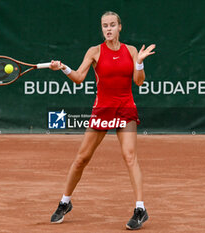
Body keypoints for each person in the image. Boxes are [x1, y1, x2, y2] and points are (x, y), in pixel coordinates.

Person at [49, 11, 156, 230]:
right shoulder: (95, 51)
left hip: (125, 109)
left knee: (129, 156)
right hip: (102, 111)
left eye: (112, 25)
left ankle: (140, 209)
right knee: (82, 159)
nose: (108, 29)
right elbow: (79, 78)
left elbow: (139, 82)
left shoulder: (132, 51)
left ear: (120, 27)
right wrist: (63, 68)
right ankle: (64, 202)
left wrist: (140, 63)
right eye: (104, 26)